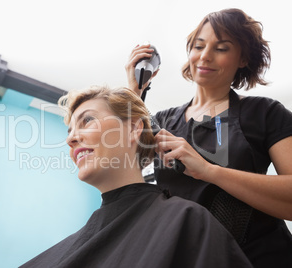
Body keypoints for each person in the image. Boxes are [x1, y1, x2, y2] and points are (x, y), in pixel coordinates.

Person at [125, 8, 292, 268]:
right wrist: (133, 92)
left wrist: (208, 170)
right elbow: (123, 171)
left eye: (221, 48)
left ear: (243, 59)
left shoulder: (266, 113)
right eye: (198, 46)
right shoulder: (164, 120)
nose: (205, 57)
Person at [19, 85, 253, 268]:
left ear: (133, 129)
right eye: (69, 131)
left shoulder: (186, 221)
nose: (70, 139)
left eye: (87, 120)